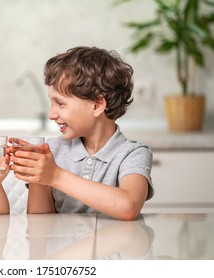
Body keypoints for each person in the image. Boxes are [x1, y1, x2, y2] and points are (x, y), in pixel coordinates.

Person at [10, 46, 154, 221]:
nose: (51, 114)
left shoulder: (132, 154)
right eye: (51, 102)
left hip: (115, 246)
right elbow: (40, 224)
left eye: (60, 104)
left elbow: (128, 207)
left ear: (97, 105)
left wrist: (55, 175)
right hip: (62, 248)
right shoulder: (52, 151)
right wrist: (38, 177)